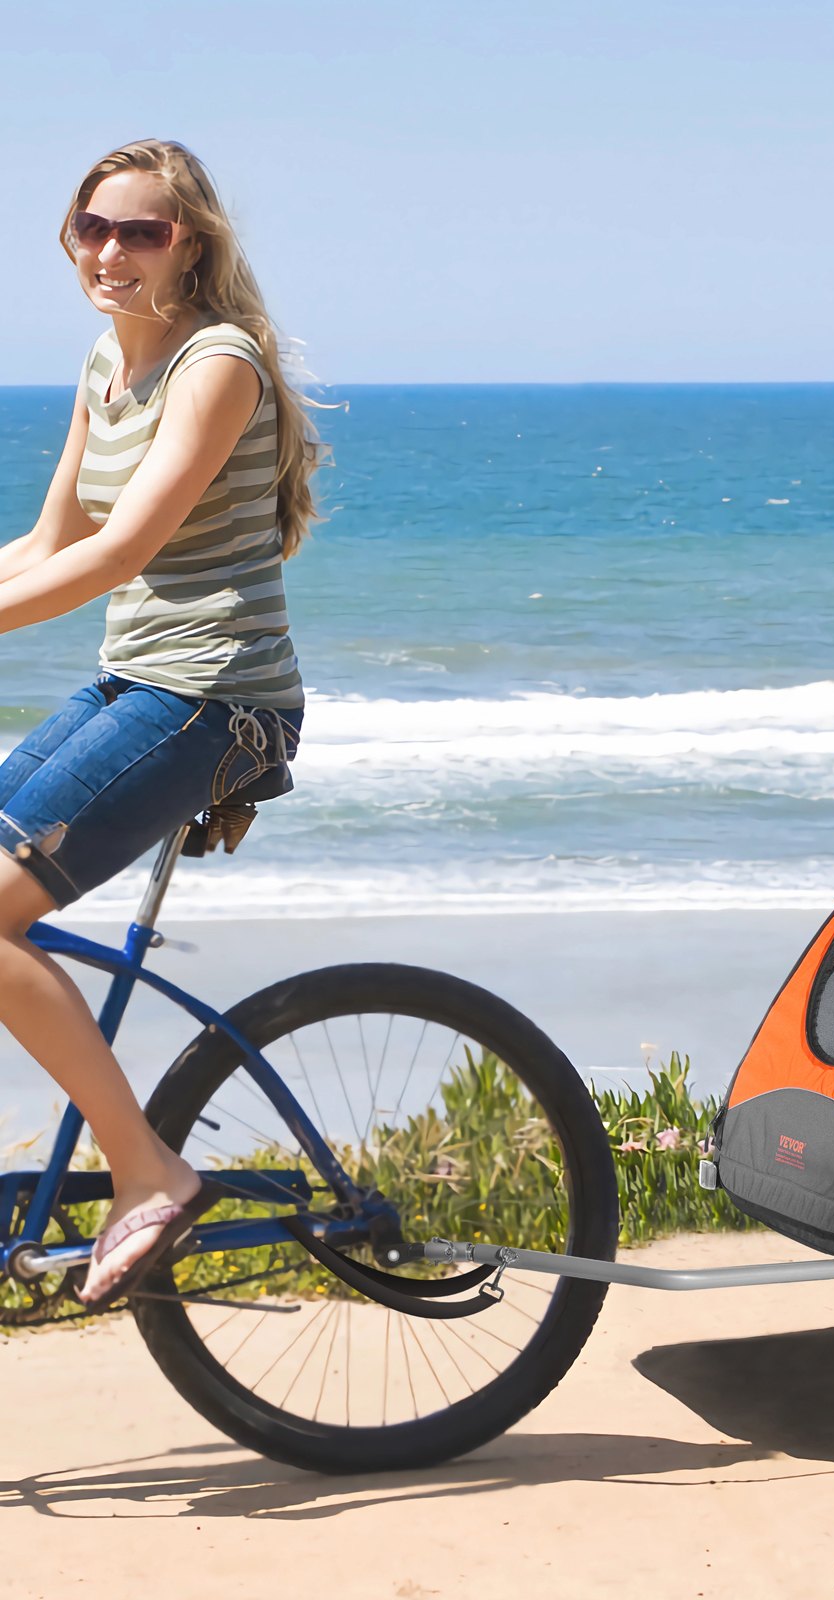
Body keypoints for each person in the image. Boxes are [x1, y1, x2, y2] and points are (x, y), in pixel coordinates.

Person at [0, 139, 325, 1312]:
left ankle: (149, 1168)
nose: (111, 252)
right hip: (135, 682)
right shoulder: (106, 362)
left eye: (140, 231)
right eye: (93, 228)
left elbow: (121, 552)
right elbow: (45, 544)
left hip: (216, 699)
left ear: (189, 241)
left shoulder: (217, 362)